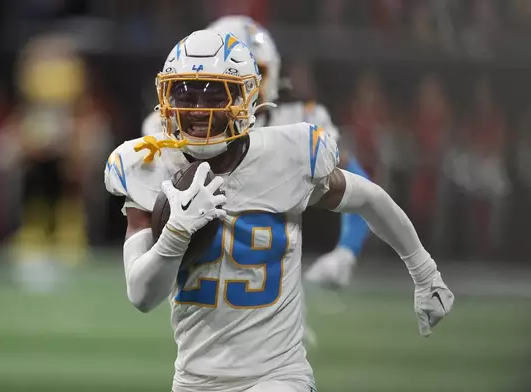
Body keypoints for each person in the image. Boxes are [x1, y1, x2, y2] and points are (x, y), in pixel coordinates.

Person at [106, 29, 454, 392]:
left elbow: (369, 198)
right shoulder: (149, 165)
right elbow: (141, 296)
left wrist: (425, 273)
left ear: (245, 98)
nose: (196, 109)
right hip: (194, 382)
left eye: (213, 94)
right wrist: (176, 235)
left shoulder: (287, 155)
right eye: (184, 92)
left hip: (277, 377)